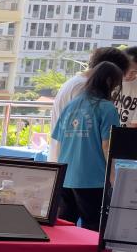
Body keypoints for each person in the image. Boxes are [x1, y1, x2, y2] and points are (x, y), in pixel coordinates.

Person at [52, 61, 124, 231]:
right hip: (93, 179)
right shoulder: (107, 108)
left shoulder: (71, 105)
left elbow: (59, 142)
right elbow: (107, 146)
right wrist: (114, 178)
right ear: (109, 82)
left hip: (66, 176)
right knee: (92, 228)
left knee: (65, 228)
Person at [51, 47, 131, 159]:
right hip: (80, 160)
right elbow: (105, 145)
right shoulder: (83, 87)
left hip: (65, 159)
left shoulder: (76, 82)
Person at [112, 46, 137, 127]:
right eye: (125, 69)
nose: (128, 74)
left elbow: (134, 124)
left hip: (126, 133)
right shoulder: (109, 81)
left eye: (134, 71)